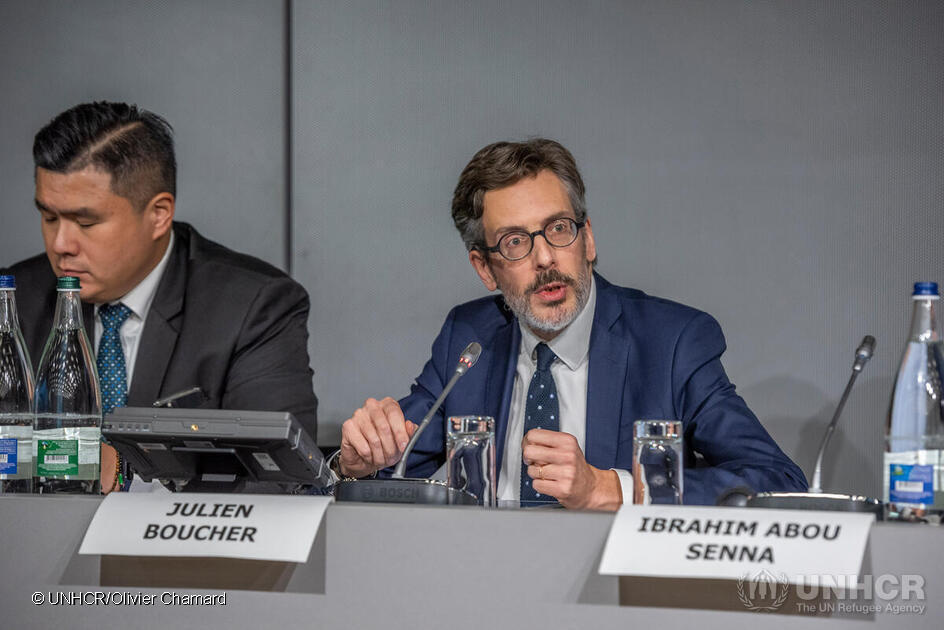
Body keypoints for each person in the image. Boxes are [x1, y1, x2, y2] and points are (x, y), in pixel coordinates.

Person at [336, 138, 806, 508]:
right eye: (516, 242)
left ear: (588, 238)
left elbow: (778, 483)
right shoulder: (470, 339)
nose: (545, 258)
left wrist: (613, 490)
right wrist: (359, 461)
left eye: (559, 229)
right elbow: (393, 463)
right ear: (484, 269)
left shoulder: (671, 344)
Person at [1, 101, 317, 492]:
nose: (61, 244)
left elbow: (281, 478)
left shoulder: (253, 306)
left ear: (159, 214)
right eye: (49, 218)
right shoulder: (14, 300)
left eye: (85, 222)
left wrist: (123, 474)